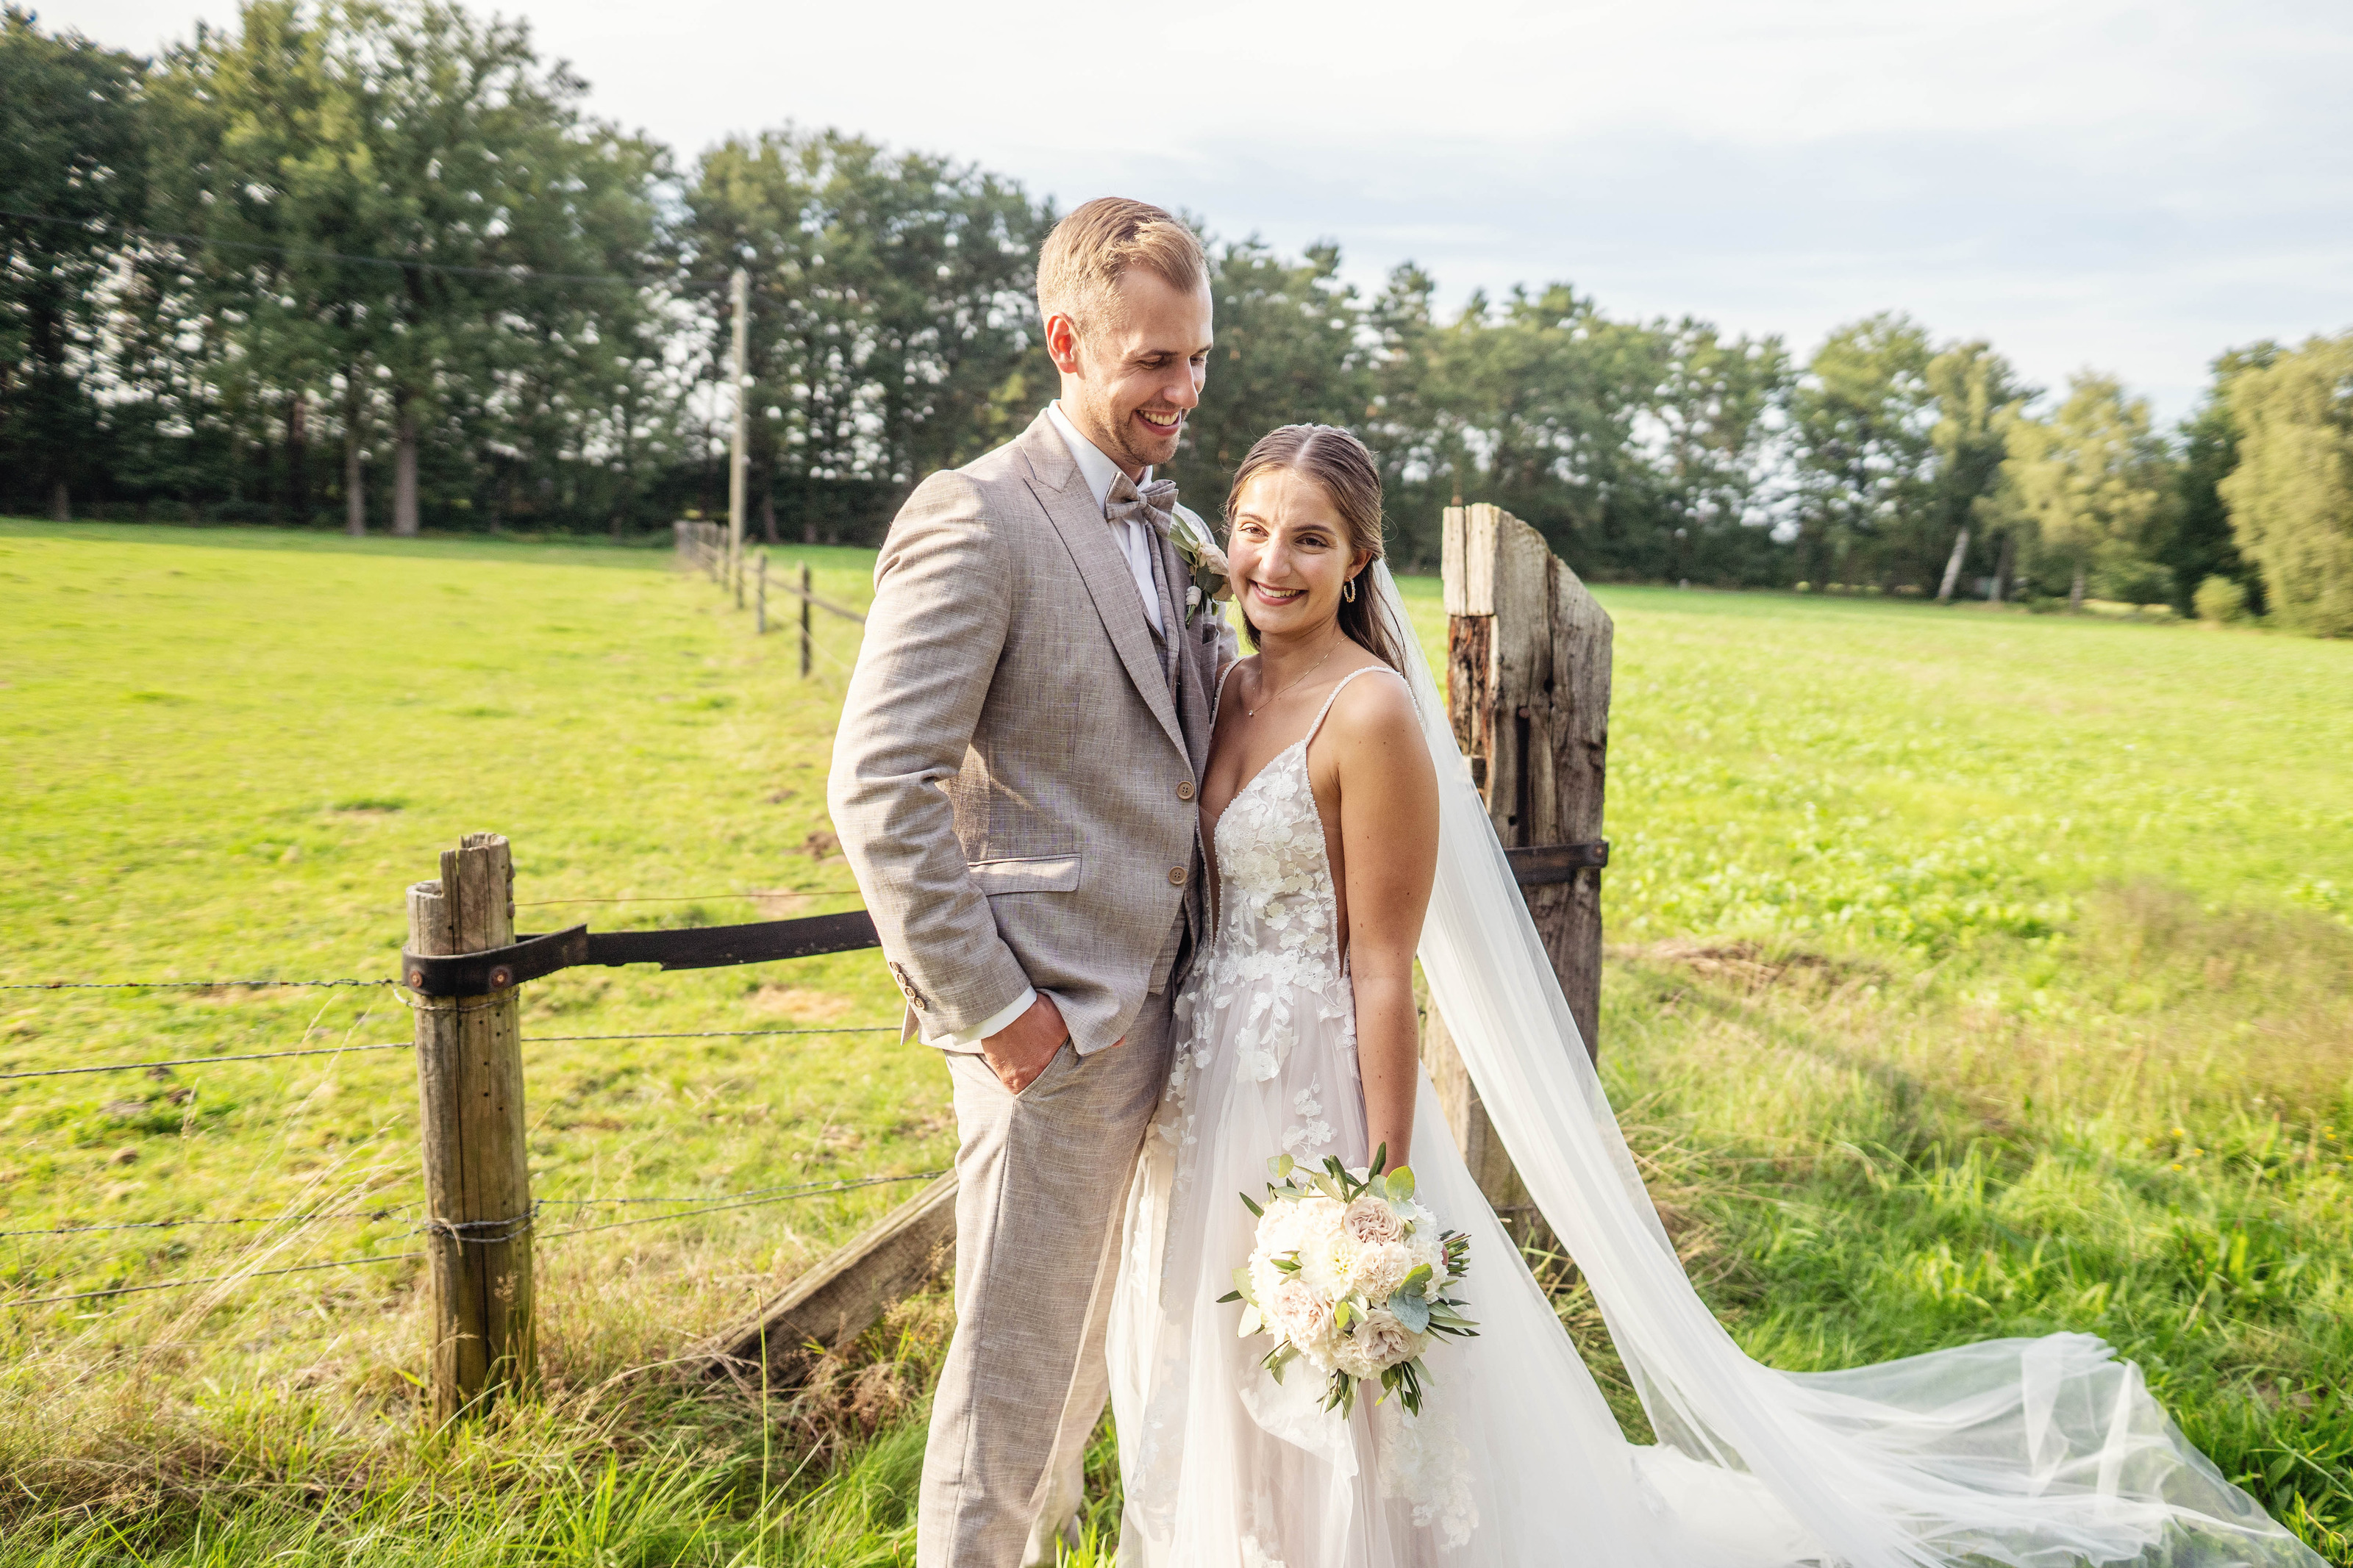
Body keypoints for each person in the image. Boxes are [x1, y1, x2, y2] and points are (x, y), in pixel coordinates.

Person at [1106, 423, 2324, 1568]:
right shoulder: (1224, 683)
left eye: (1310, 536)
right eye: (1255, 527)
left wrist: (1378, 1195)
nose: (1273, 559)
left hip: (1318, 1090)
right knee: (1223, 1361)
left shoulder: (1366, 711)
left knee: (1347, 1381)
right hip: (1212, 1081)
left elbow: (1381, 964)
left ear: (1360, 557)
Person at [827, 196, 1237, 1568]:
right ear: (1068, 340)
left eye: (1195, 360)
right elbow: (878, 787)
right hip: (1048, 1033)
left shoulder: (1170, 534)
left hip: (1169, 1019)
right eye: (1151, 364)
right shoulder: (979, 516)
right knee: (1009, 1408)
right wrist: (1001, 1013)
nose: (1181, 392)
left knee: (1081, 1385)